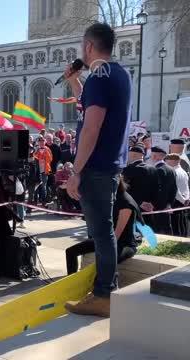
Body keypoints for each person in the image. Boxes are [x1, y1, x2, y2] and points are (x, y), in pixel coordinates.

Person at [65, 23, 133, 318]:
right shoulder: (117, 73)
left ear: (89, 47)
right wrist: (74, 82)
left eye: (83, 45)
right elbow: (90, 107)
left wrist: (76, 172)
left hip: (95, 167)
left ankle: (105, 292)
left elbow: (92, 127)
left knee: (102, 231)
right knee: (102, 229)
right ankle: (105, 289)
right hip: (110, 165)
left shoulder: (99, 77)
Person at [65, 178, 140, 274]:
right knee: (71, 251)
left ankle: (102, 286)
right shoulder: (110, 198)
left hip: (124, 244)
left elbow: (117, 235)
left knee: (106, 261)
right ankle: (72, 282)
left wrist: (102, 247)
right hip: (106, 239)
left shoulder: (126, 202)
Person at [150, 147, 178, 235]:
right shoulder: (171, 169)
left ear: (155, 156)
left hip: (157, 208)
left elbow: (157, 190)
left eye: (152, 155)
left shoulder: (158, 170)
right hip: (166, 206)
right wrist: (169, 203)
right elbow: (174, 189)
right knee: (167, 229)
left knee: (158, 232)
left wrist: (152, 204)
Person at [165, 154, 189, 237]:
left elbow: (175, 190)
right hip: (184, 201)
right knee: (182, 223)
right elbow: (186, 188)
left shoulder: (174, 172)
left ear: (173, 161)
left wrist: (182, 200)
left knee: (176, 225)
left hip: (176, 201)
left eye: (167, 161)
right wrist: (186, 199)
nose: (166, 163)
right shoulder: (183, 172)